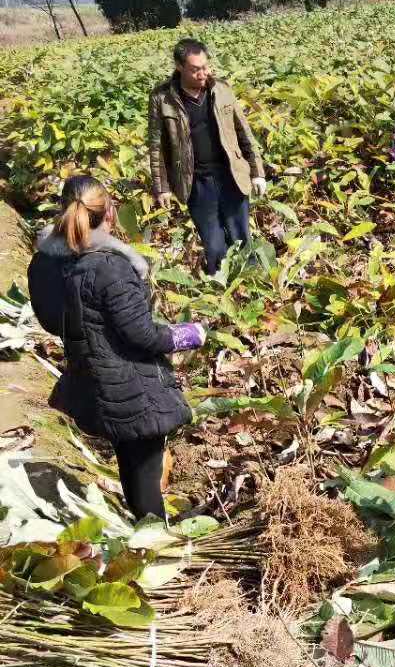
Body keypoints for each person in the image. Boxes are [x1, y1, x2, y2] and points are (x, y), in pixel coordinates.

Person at [38, 175, 205, 522]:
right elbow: (142, 335)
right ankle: (153, 542)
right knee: (144, 466)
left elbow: (53, 322)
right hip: (130, 383)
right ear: (109, 213)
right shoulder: (110, 267)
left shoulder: (44, 264)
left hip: (93, 380)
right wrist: (188, 334)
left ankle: (145, 531)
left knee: (129, 458)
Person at [148, 38, 267, 275]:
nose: (203, 73)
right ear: (179, 67)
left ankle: (252, 284)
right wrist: (162, 188)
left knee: (242, 236)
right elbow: (156, 147)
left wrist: (257, 172)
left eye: (205, 66)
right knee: (213, 245)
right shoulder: (162, 99)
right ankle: (221, 290)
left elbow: (244, 133)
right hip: (196, 183)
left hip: (231, 175)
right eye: (195, 69)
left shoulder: (221, 89)